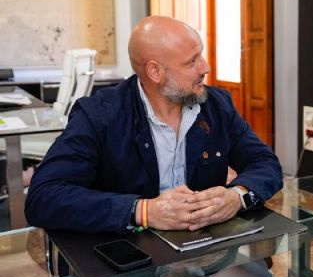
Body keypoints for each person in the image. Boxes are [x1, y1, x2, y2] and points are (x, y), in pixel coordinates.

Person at [25, 16, 283, 234]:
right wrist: (144, 211)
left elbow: (265, 163)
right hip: (128, 257)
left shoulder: (217, 104)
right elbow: (44, 197)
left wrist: (237, 197)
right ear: (155, 72)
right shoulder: (99, 115)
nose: (206, 67)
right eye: (192, 61)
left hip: (205, 247)